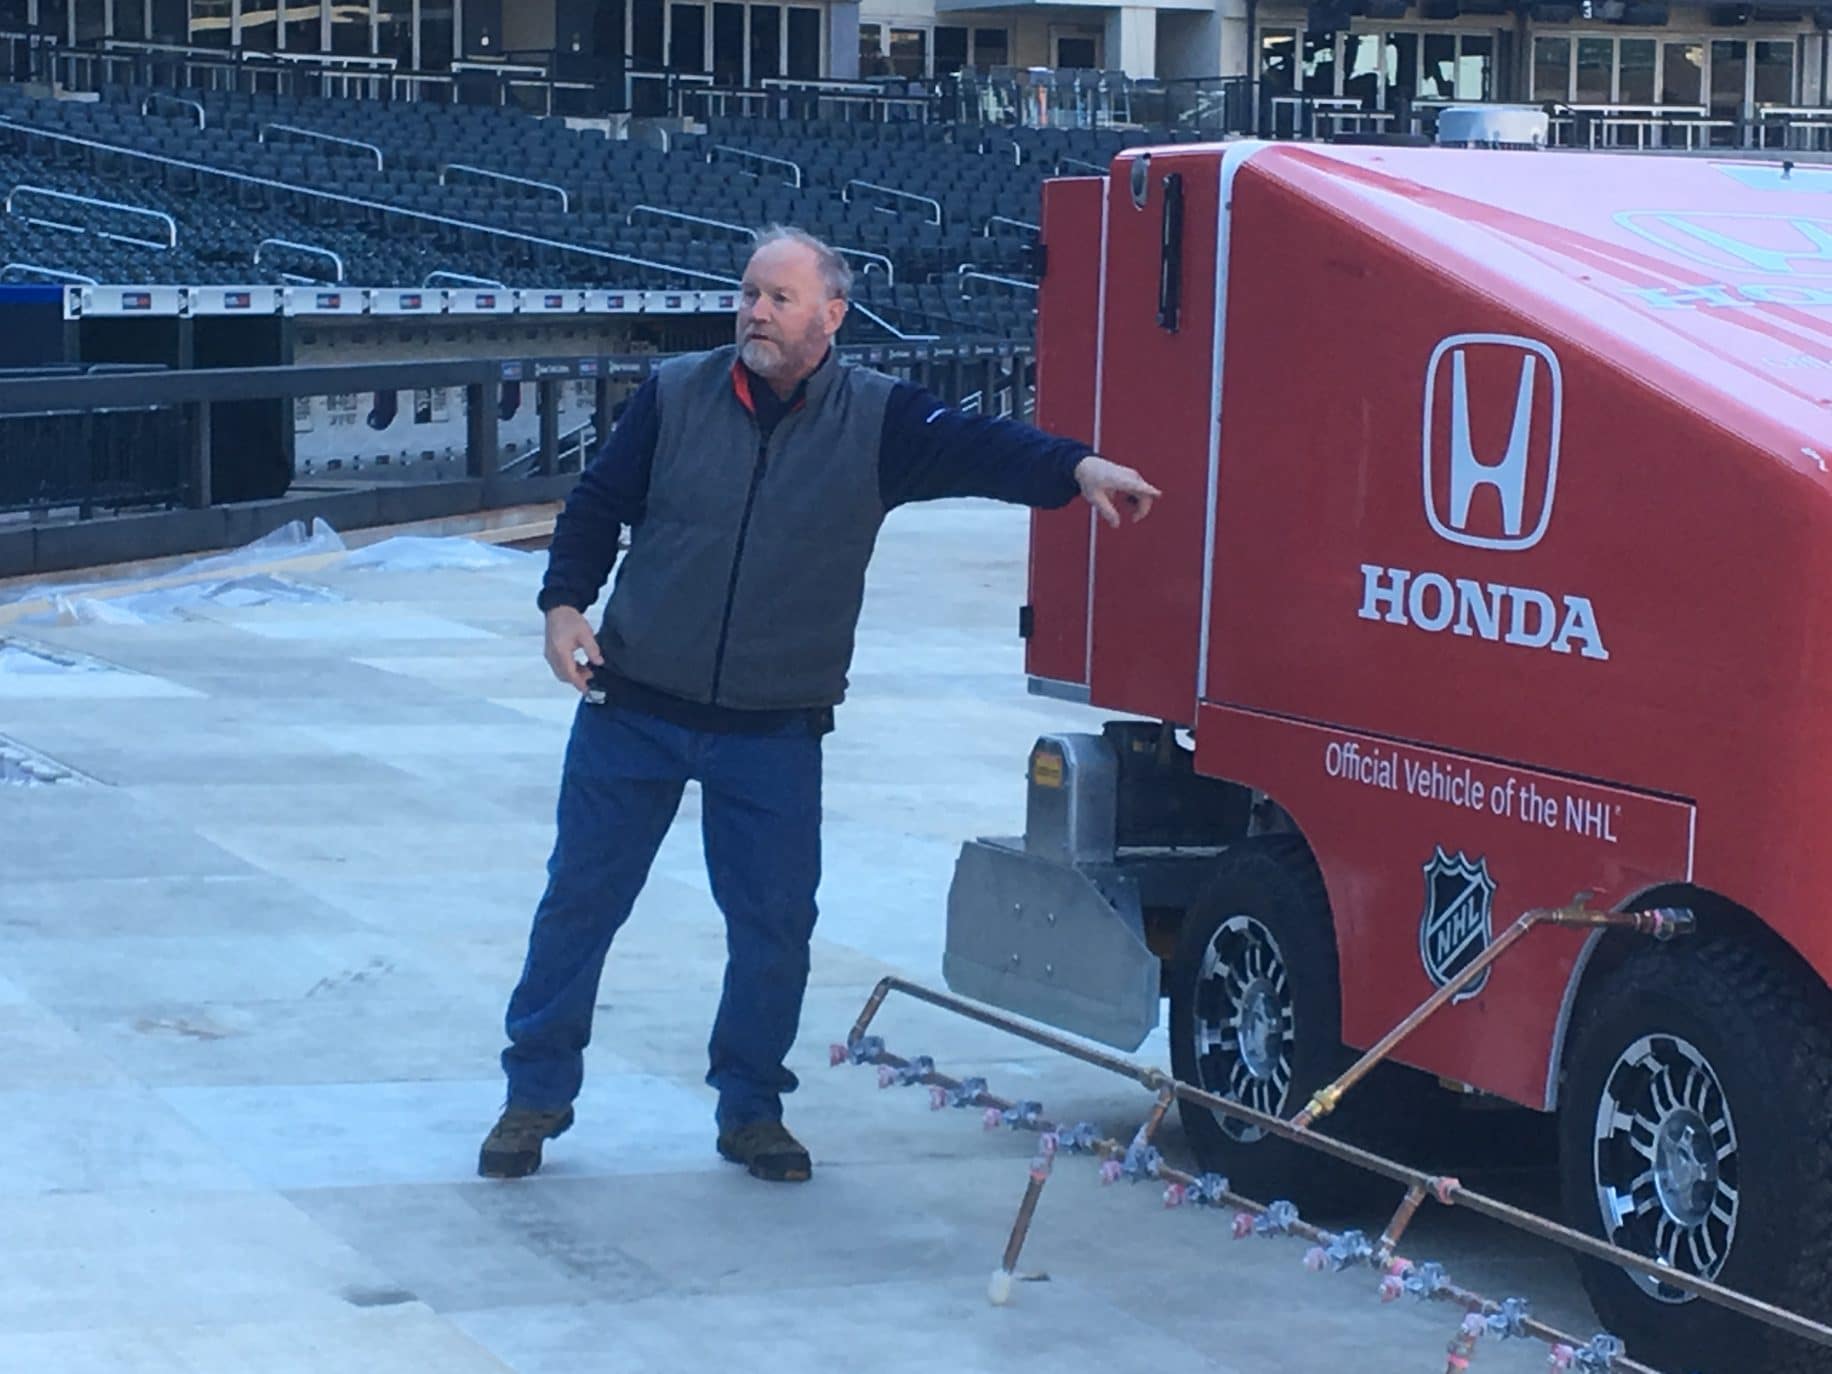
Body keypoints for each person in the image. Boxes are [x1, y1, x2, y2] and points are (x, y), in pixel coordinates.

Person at [480, 225, 1159, 1185]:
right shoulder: (676, 395)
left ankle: (751, 1108)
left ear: (831, 316)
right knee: (579, 907)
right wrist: (561, 607)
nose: (755, 311)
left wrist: (1078, 469)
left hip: (773, 728)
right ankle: (533, 1097)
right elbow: (596, 504)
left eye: (779, 298)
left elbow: (984, 448)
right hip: (633, 707)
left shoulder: (877, 420)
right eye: (750, 293)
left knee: (772, 930)